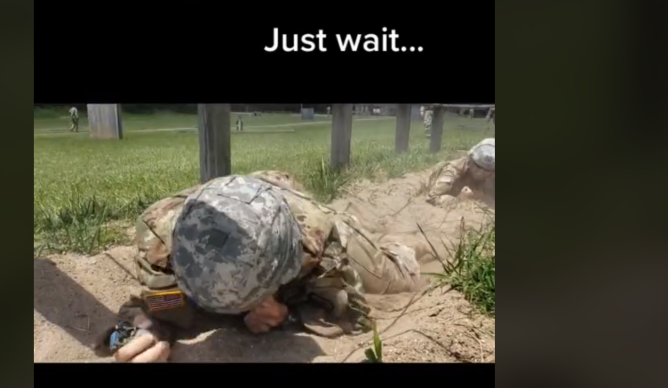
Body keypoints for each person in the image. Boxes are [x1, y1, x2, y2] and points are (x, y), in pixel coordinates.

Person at [101, 171, 421, 362]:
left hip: (291, 204)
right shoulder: (160, 243)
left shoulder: (315, 245)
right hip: (239, 196)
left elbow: (352, 314)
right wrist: (134, 332)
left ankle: (375, 229)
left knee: (396, 278)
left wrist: (286, 314)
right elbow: (151, 305)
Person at [426, 138, 495, 209]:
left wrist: (483, 197)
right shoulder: (453, 171)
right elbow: (432, 198)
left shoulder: (492, 173)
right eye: (478, 167)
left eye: (487, 170)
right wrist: (461, 198)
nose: (481, 172)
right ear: (470, 161)